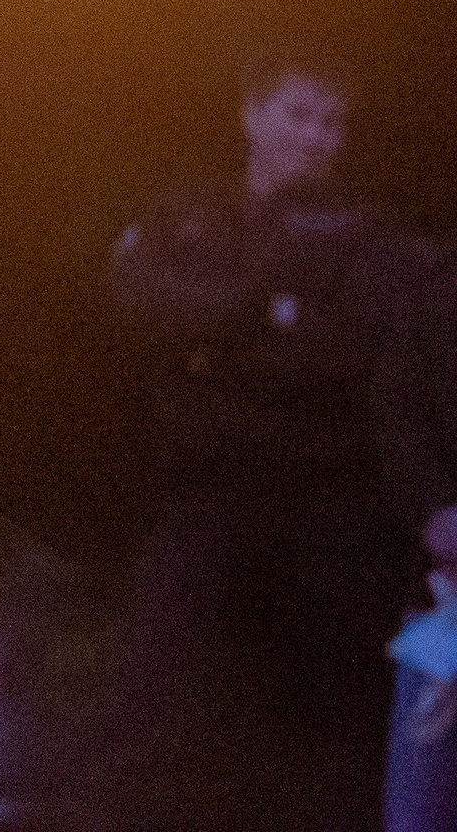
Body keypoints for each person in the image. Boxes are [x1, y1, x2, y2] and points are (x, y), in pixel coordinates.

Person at [99, 49, 410, 832]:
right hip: (207, 501)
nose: (316, 136)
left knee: (334, 728)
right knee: (158, 701)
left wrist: (221, 340)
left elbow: (352, 355)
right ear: (252, 115)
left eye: (332, 121)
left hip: (330, 512)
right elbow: (145, 310)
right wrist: (258, 304)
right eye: (300, 114)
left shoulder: (367, 236)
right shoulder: (186, 215)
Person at [375, 242, 457, 832]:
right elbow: (397, 408)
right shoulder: (436, 280)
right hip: (447, 580)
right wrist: (434, 510)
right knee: (423, 785)